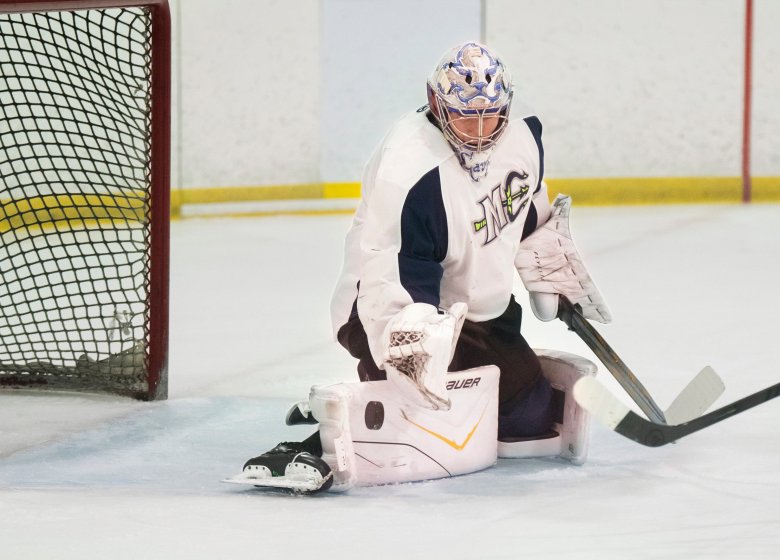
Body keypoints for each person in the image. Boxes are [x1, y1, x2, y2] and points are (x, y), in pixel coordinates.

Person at [239, 41, 607, 493]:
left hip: (478, 311)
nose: (478, 131)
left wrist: (550, 275)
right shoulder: (409, 171)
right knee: (413, 419)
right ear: (437, 104)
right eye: (464, 116)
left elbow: (527, 210)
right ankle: (329, 432)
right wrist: (413, 353)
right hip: (384, 305)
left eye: (489, 116)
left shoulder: (524, 135)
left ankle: (446, 392)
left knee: (528, 419)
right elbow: (393, 276)